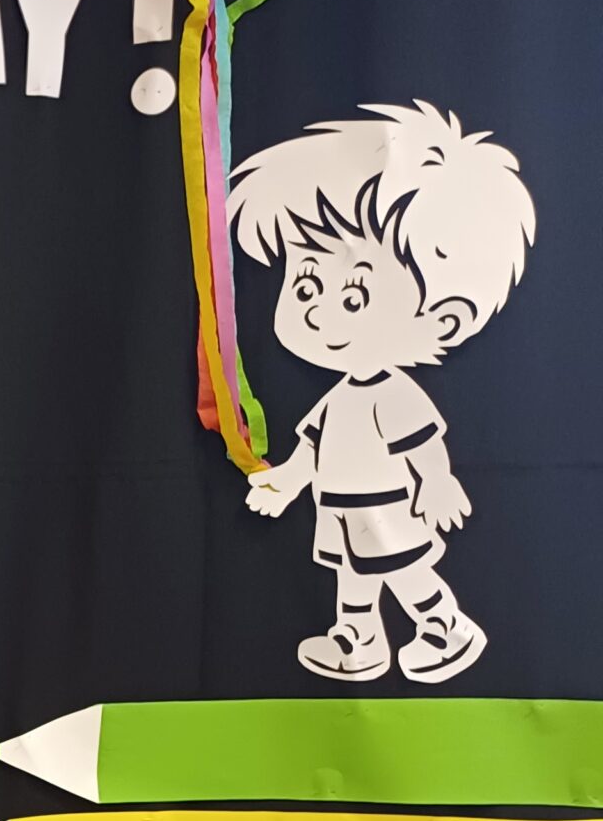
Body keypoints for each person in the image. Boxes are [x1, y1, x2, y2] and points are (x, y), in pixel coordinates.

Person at [229, 100, 536, 684]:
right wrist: (288, 481)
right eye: (306, 282)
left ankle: (444, 626)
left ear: (443, 319)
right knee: (350, 576)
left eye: (354, 297)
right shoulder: (339, 397)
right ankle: (358, 640)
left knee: (405, 571)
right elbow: (313, 447)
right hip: (340, 506)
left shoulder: (391, 394)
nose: (317, 312)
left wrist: (436, 483)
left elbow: (422, 444)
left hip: (388, 506)